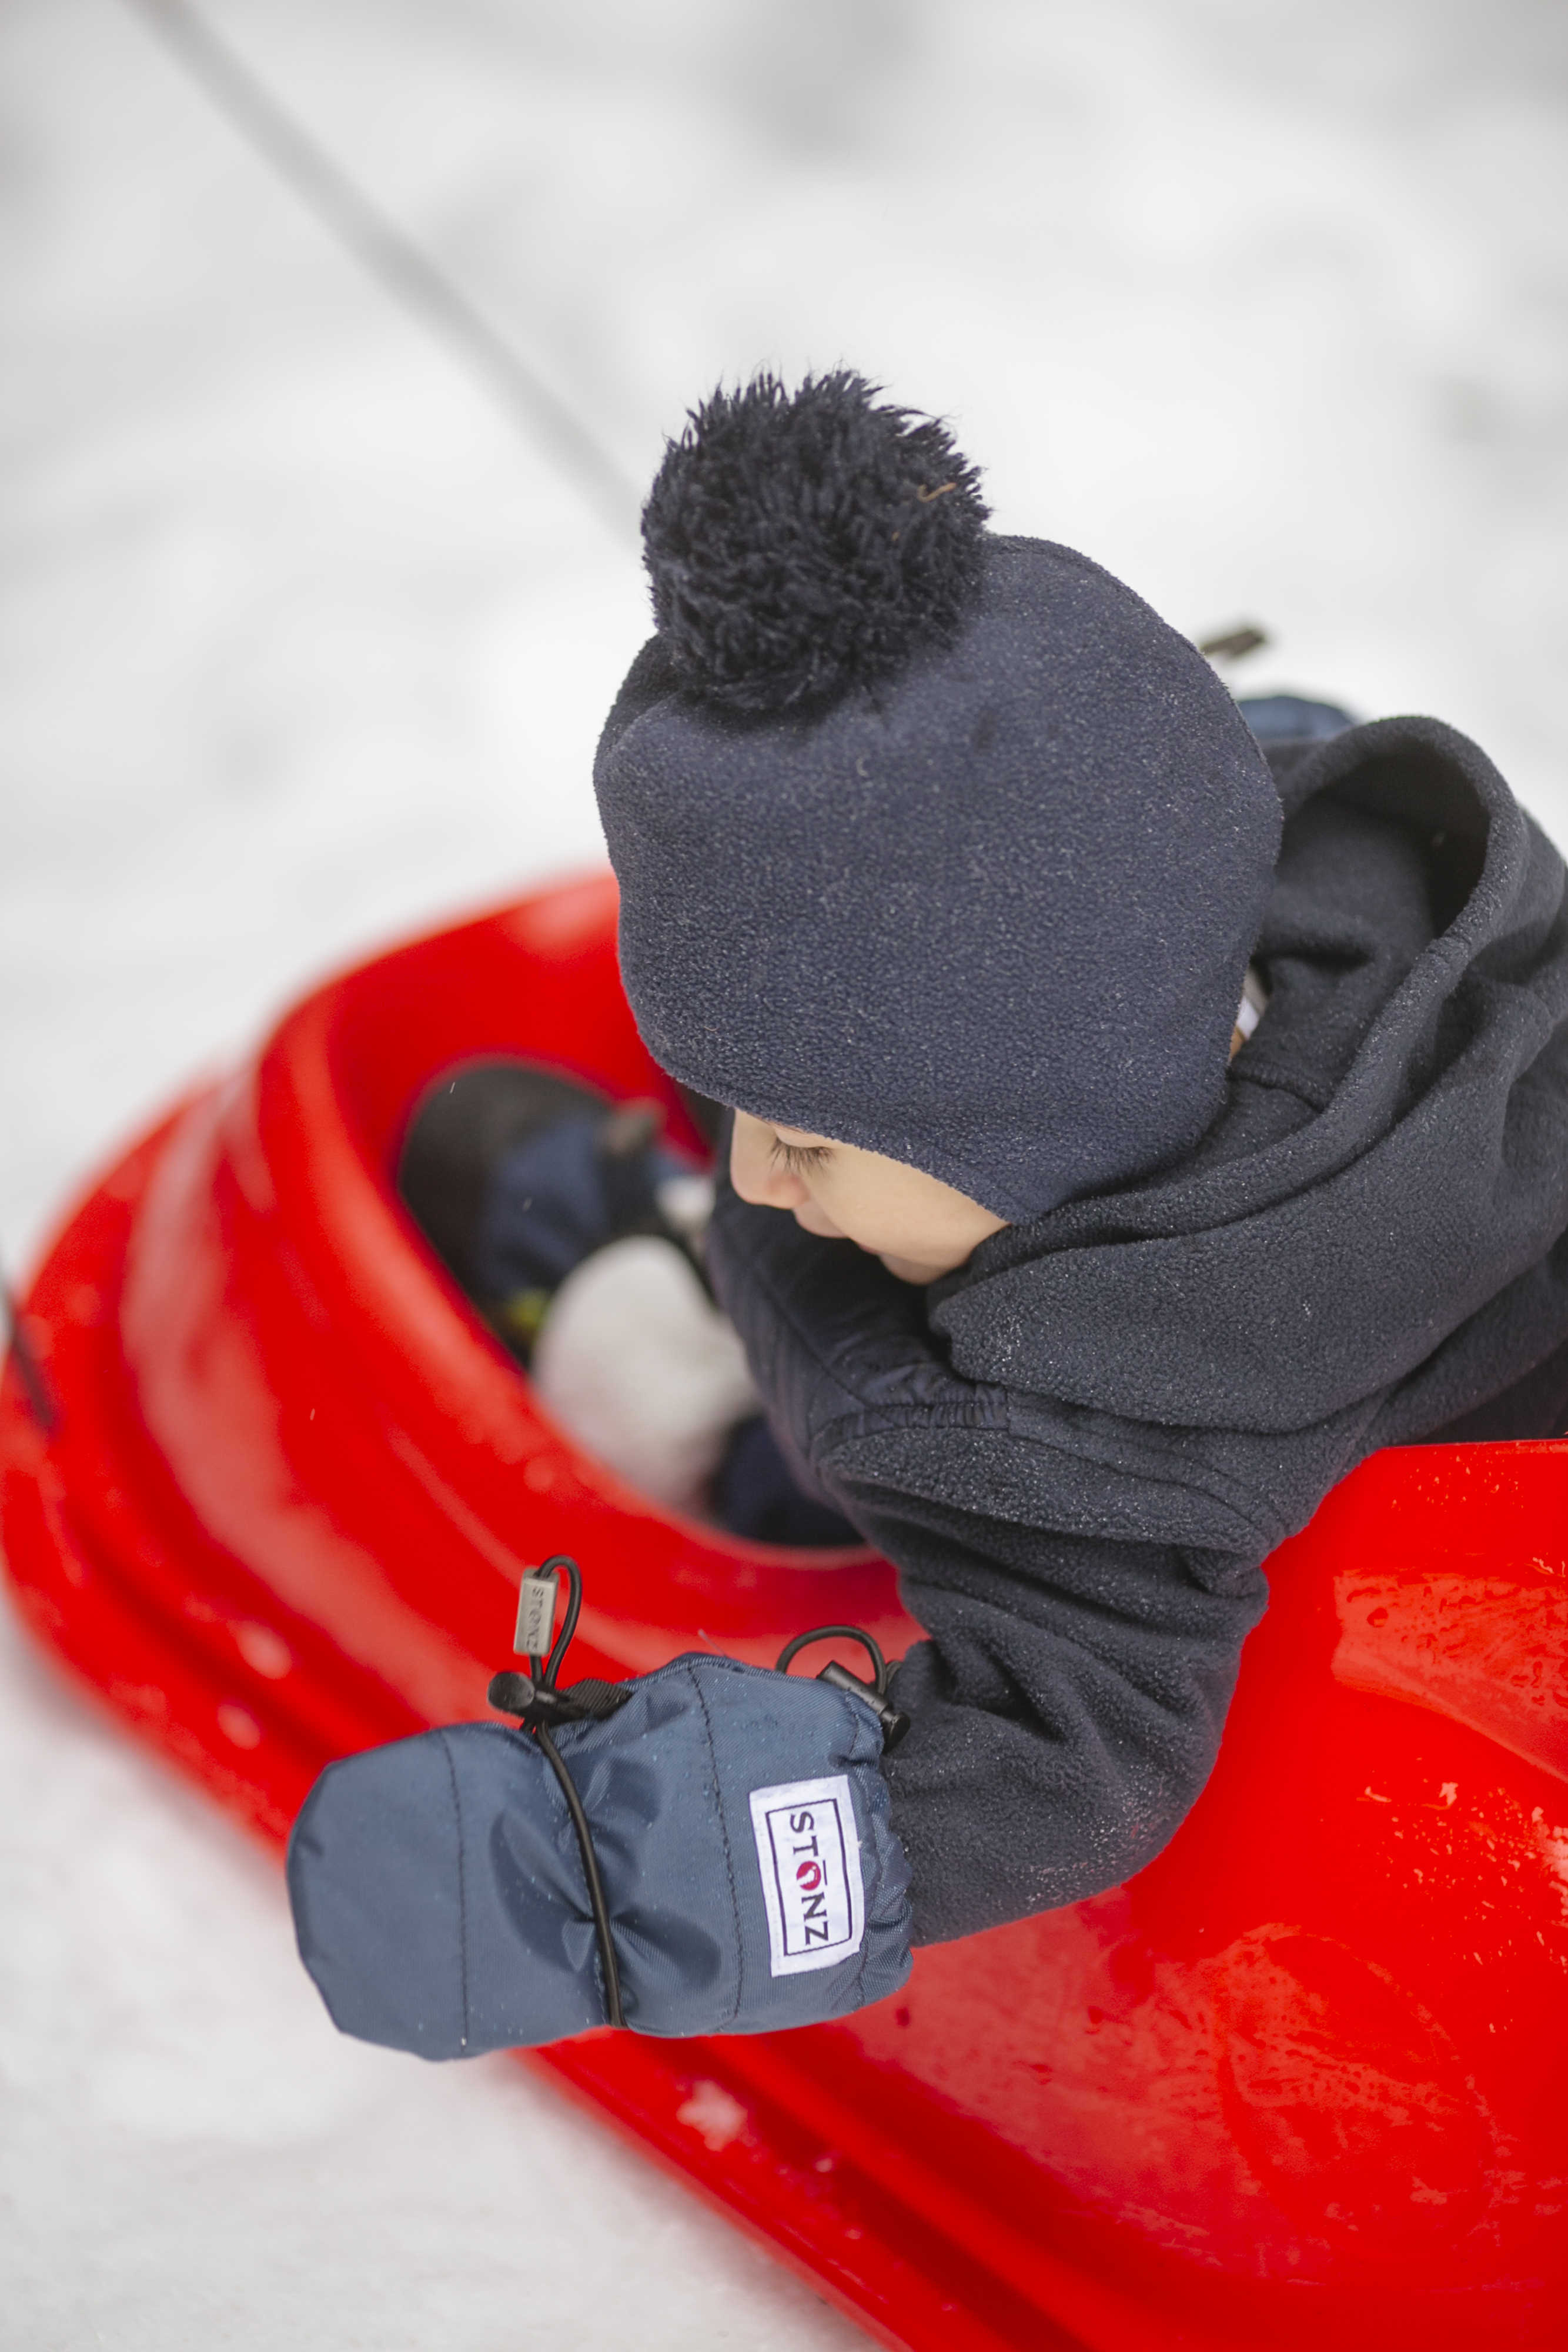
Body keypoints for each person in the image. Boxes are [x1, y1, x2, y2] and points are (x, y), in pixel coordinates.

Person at [286, 369, 1568, 2053]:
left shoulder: (1107, 1444)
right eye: (742, 1116)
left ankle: (640, 1325)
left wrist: (591, 1872)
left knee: (787, 1449)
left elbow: (1057, 1758)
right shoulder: (1389, 955)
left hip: (1076, 1483)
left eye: (803, 1140)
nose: (762, 1168)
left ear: (1047, 1122)